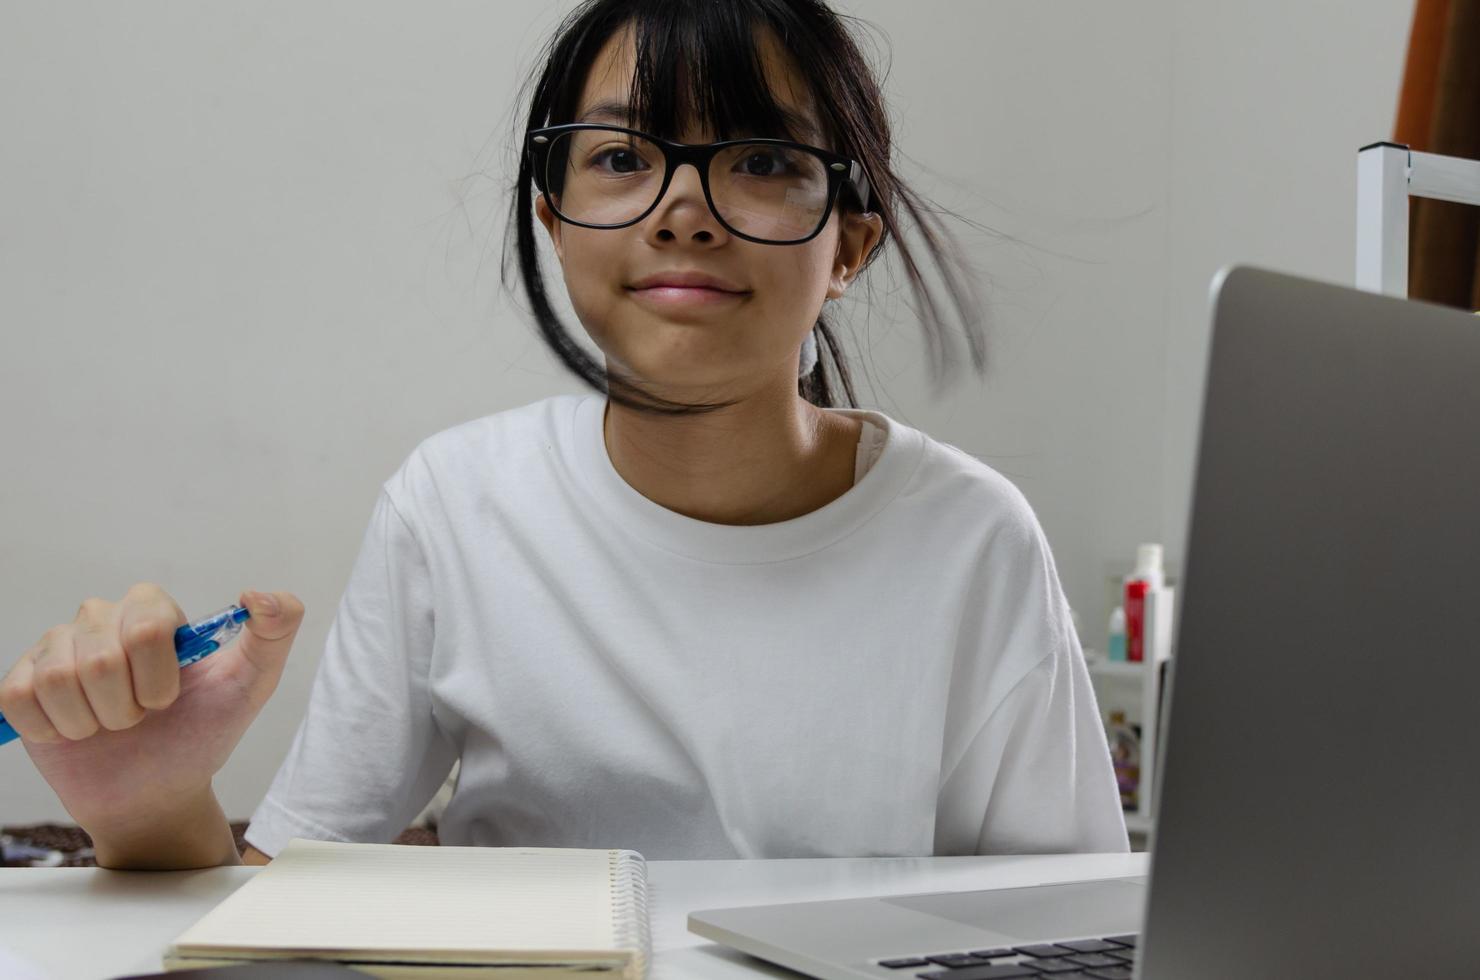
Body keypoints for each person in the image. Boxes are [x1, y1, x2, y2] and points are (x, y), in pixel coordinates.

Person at [0, 0, 1128, 870]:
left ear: (850, 245)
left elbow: (1066, 922)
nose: (683, 208)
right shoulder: (453, 504)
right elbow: (279, 911)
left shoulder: (974, 538)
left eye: (765, 161)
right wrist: (149, 807)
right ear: (553, 215)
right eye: (622, 158)